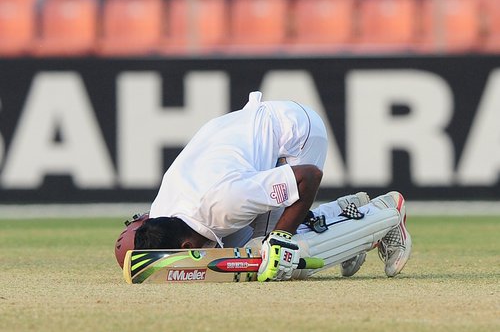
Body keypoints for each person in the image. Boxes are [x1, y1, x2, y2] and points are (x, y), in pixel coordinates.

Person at [116, 91, 412, 281]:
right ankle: (349, 214)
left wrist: (281, 237)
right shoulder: (162, 214)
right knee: (250, 249)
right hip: (244, 143)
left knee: (274, 257)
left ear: (187, 247)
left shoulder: (225, 203)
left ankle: (384, 214)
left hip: (294, 134)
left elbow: (307, 176)